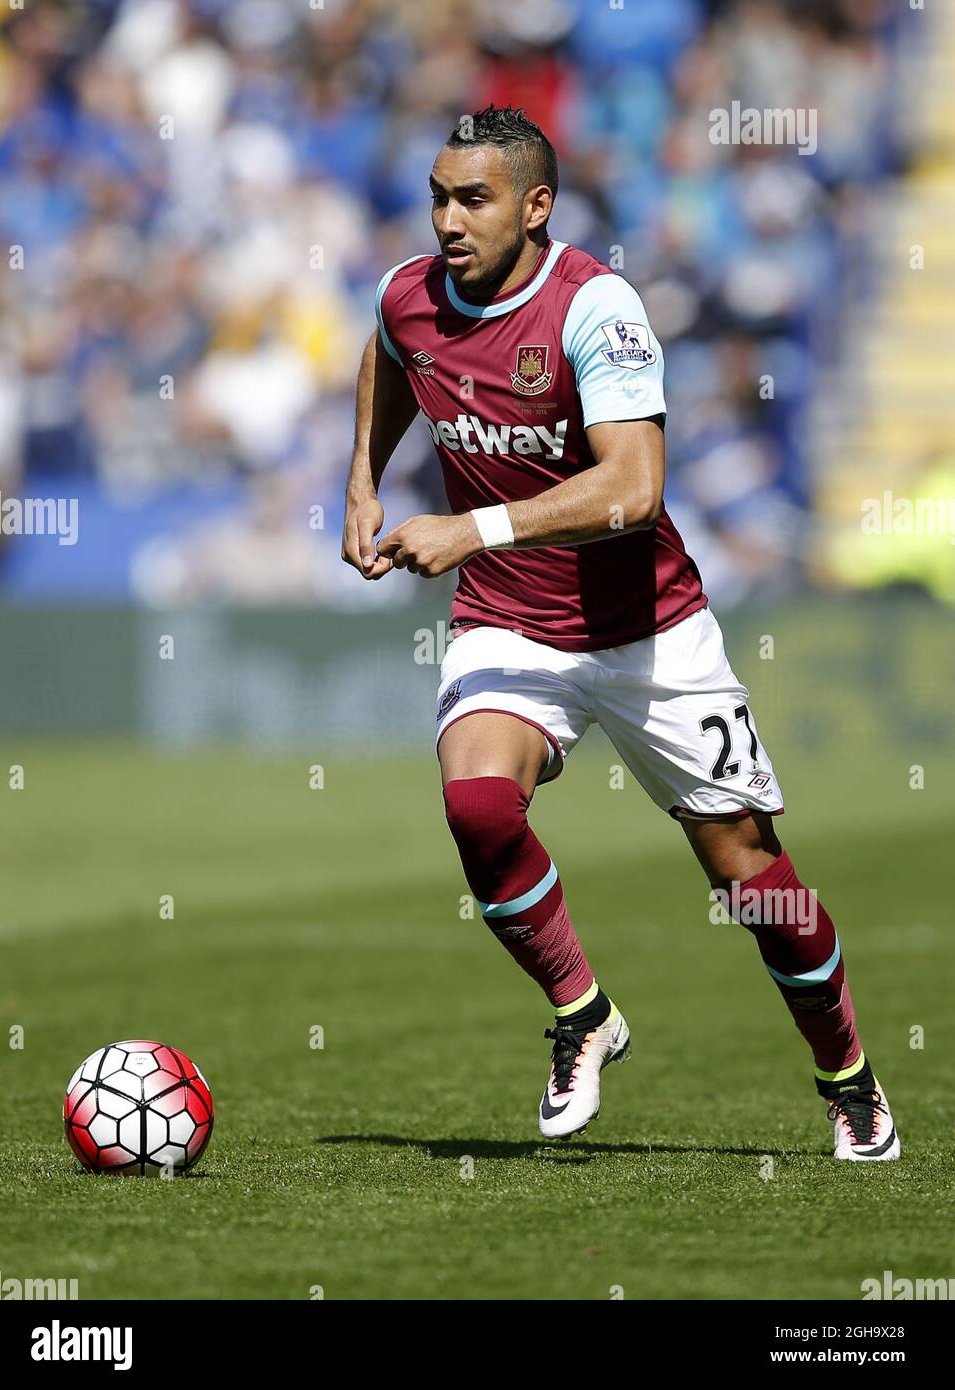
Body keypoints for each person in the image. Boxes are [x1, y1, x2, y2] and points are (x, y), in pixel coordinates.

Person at [342, 105, 899, 1161]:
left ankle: (848, 1077)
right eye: (437, 196)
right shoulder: (407, 295)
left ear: (535, 205)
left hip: (649, 632)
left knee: (749, 879)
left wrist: (472, 524)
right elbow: (385, 358)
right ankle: (583, 1013)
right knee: (475, 801)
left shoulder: (595, 308)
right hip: (509, 618)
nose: (447, 220)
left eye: (474, 199)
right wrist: (359, 484)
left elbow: (636, 488)